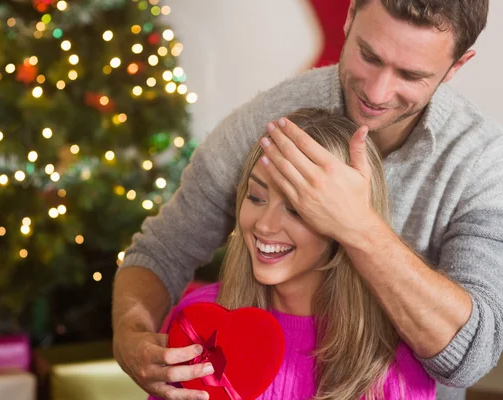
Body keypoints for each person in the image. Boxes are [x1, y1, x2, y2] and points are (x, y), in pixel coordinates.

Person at [112, 1, 503, 400]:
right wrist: (131, 338)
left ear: (457, 65)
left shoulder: (484, 164)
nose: (376, 91)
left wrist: (359, 227)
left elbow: (471, 355)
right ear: (349, 18)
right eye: (369, 55)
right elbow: (162, 251)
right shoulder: (268, 118)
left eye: (410, 74)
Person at [149, 108, 436, 400]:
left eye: (296, 209)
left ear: (346, 220)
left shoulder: (391, 357)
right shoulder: (198, 320)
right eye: (256, 197)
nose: (264, 224)